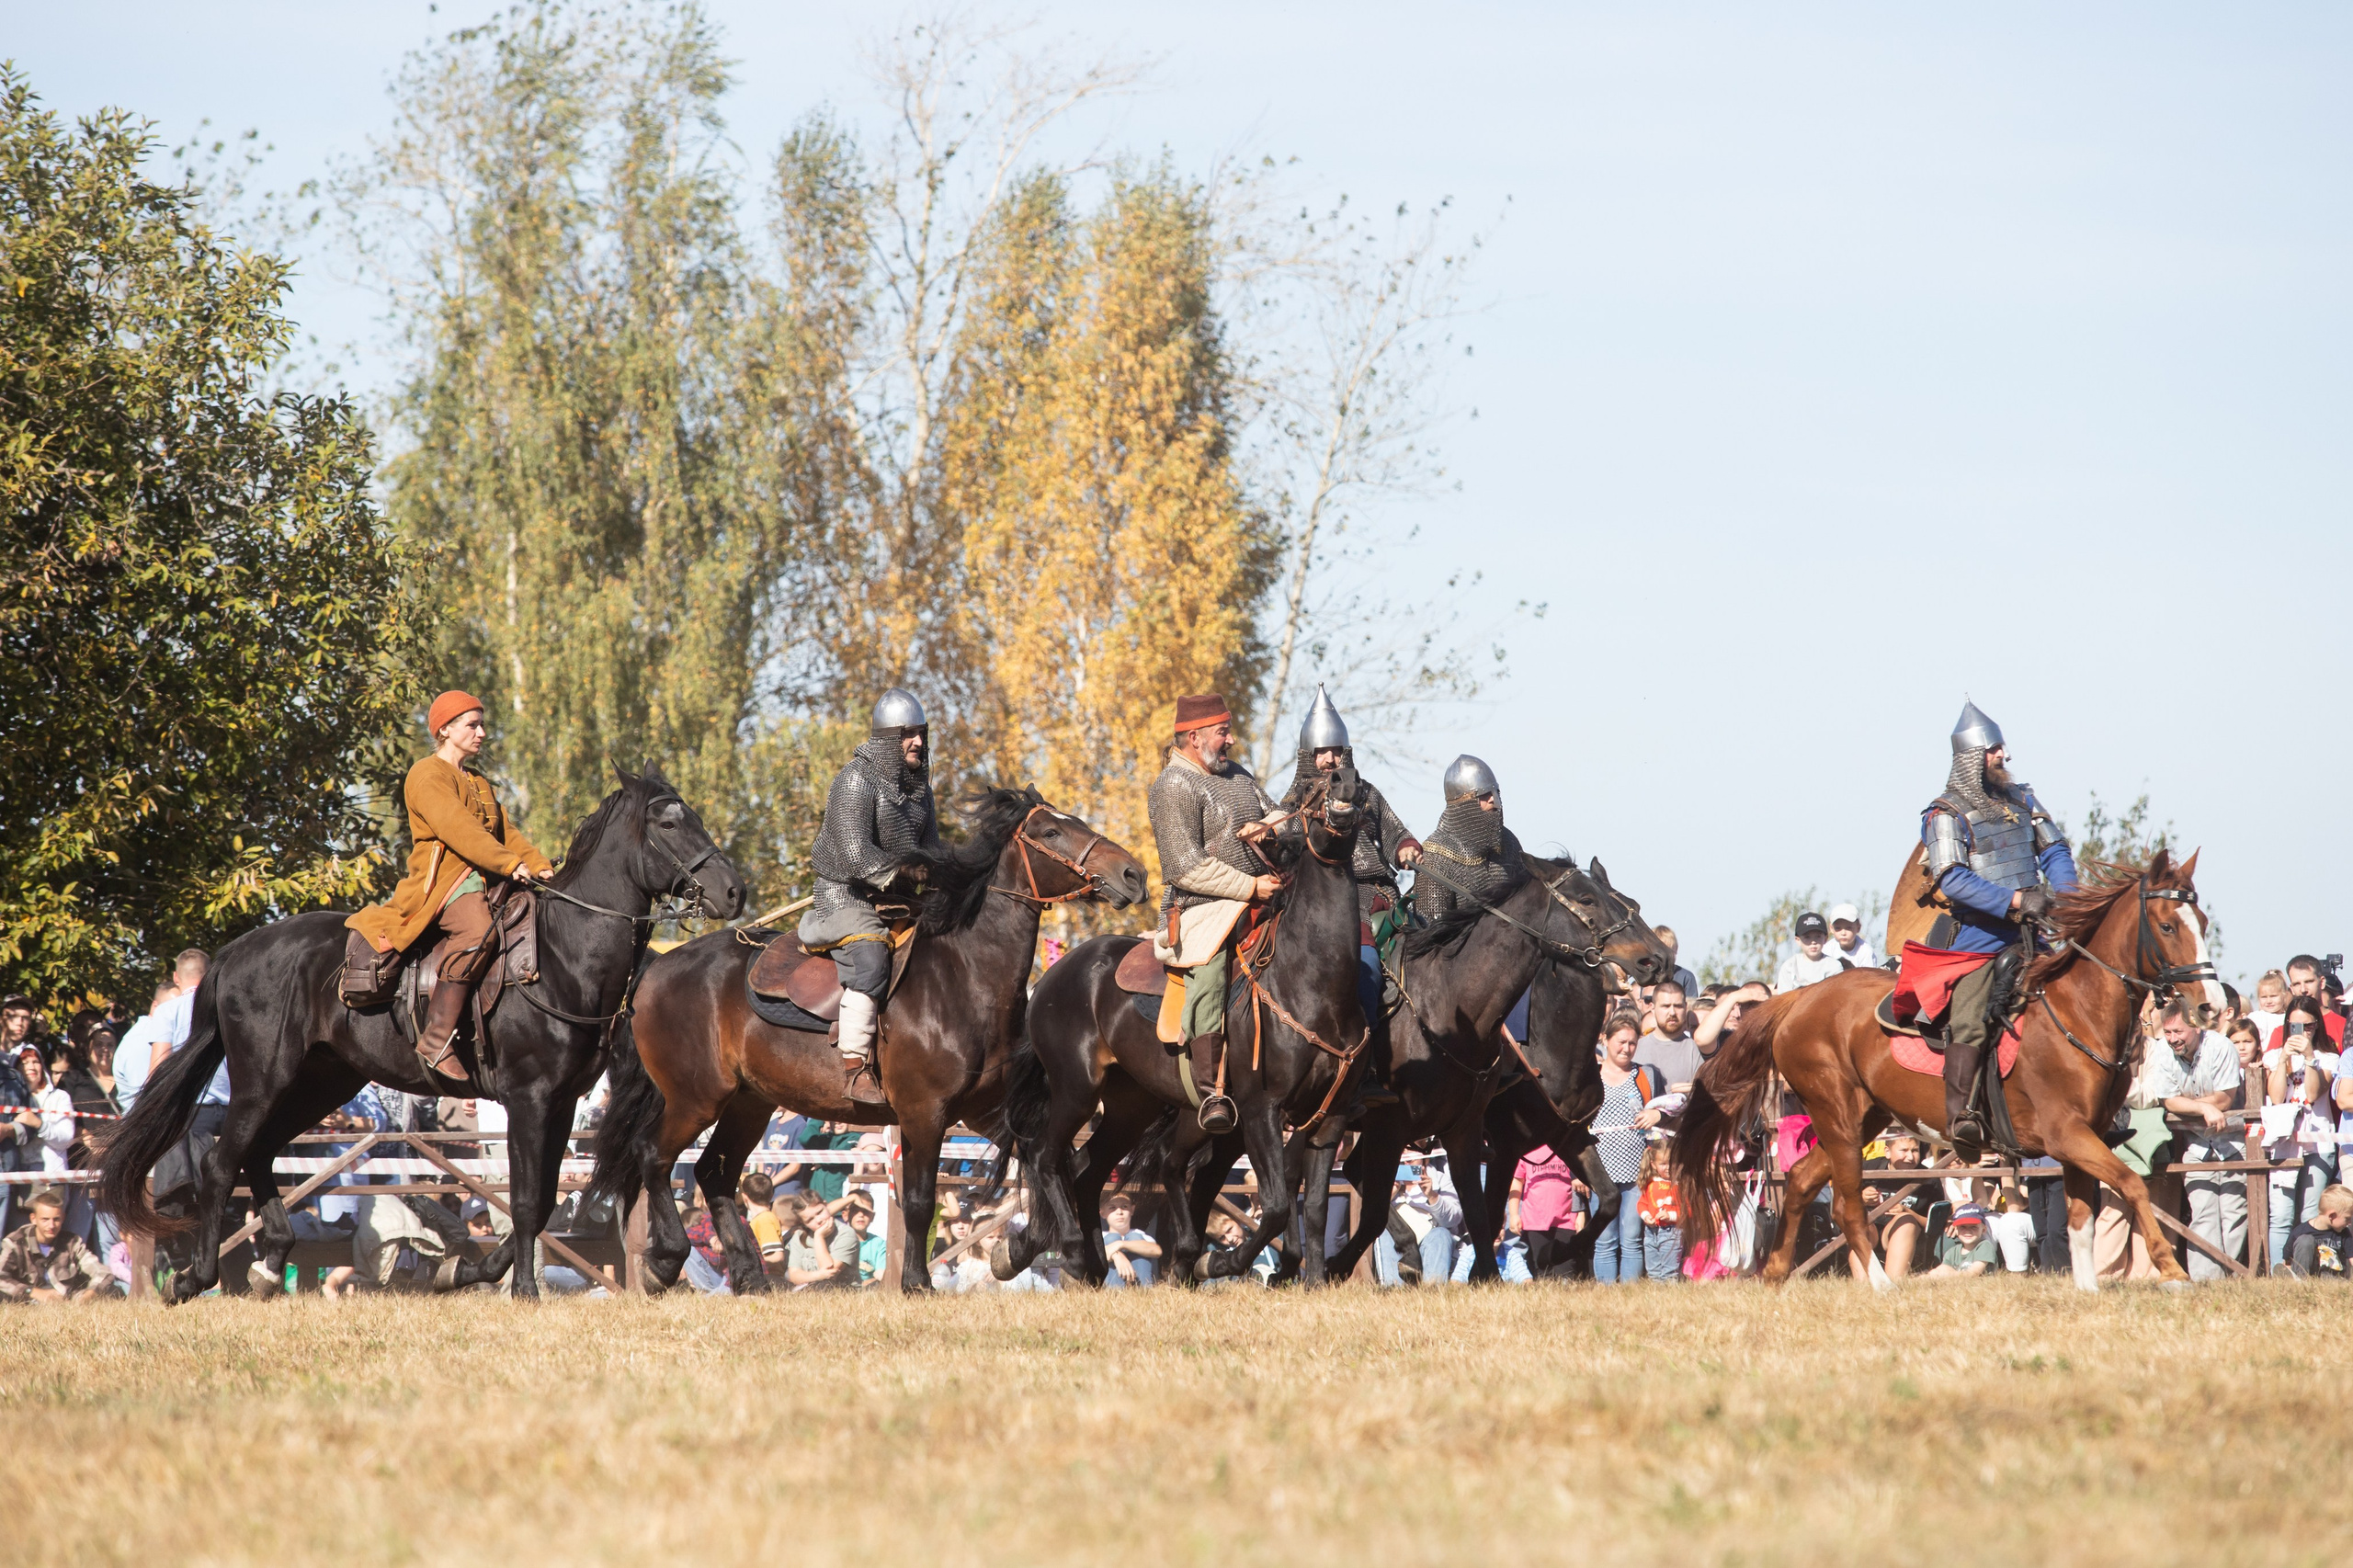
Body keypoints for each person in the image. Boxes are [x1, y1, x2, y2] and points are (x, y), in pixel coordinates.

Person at [345, 691, 553, 1081]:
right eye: (472, 725)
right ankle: (436, 1038)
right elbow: (460, 829)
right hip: (445, 880)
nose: (482, 733)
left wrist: (539, 866)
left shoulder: (478, 781)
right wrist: (510, 864)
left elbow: (507, 833)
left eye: (482, 724)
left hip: (486, 875)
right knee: (477, 932)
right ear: (444, 729)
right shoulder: (426, 773)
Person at [1915, 700, 2078, 1156]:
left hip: (2034, 934)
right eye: (1993, 749)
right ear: (1971, 757)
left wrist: (2067, 899)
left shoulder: (2023, 798)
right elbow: (1951, 877)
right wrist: (2015, 901)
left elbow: (2055, 850)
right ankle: (1962, 1114)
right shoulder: (1945, 812)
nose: (2002, 755)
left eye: (2002, 747)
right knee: (1969, 1018)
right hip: (1981, 940)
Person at [1146, 691, 1283, 1135]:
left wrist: (1269, 826)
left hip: (1265, 899)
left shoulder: (1237, 775)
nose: (1231, 740)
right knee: (1210, 975)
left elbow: (1281, 814)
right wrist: (1249, 887)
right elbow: (1184, 867)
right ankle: (1212, 1090)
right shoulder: (1173, 785)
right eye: (1223, 732)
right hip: (1203, 910)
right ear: (1194, 737)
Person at [1281, 686, 1419, 1105]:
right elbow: (1286, 846)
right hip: (1339, 907)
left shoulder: (1367, 792)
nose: (1330, 759)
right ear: (1308, 755)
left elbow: (1394, 831)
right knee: (1366, 972)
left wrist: (1406, 848)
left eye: (1336, 750)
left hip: (1386, 900)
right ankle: (1366, 1070)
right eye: (1322, 751)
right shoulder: (1299, 800)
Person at [800, 688, 942, 1094]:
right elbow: (855, 853)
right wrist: (905, 868)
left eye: (921, 732)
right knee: (872, 959)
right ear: (888, 739)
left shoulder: (920, 791)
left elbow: (932, 851)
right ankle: (856, 1065)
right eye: (908, 733)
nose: (918, 742)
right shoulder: (855, 780)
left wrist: (946, 873)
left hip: (901, 901)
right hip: (847, 896)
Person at [2144, 999, 2245, 1281]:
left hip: (2233, 1141)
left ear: (2197, 1027)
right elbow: (2169, 1101)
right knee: (2202, 1211)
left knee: (2234, 1213)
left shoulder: (2221, 1047)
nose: (2172, 1038)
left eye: (2178, 1031)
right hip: (2196, 1144)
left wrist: (2191, 1104)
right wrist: (2203, 1108)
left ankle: (2234, 1278)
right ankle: (2205, 1281)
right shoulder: (2163, 1051)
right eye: (2168, 1032)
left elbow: (2225, 1098)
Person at [1592, 1014, 1668, 1284]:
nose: (1626, 1048)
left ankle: (1630, 1293)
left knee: (1632, 1237)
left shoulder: (1646, 1075)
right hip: (1598, 1173)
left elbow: (1668, 1109)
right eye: (1621, 1042)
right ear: (1605, 1040)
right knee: (1604, 1239)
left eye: (1632, 1043)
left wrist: (1657, 1115)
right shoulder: (1590, 1076)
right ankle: (1606, 1292)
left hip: (1637, 1171)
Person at [1413, 756, 1527, 926]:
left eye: (1496, 792)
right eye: (1484, 794)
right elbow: (1431, 930)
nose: (1493, 799)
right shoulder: (1436, 857)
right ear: (1464, 803)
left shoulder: (1508, 842)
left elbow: (1526, 903)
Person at [0, 1188, 119, 1301]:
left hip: (66, 1299)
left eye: (56, 1219)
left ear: (63, 1218)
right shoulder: (15, 1242)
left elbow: (103, 1273)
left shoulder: (72, 1242)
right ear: (33, 1219)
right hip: (27, 1299)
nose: (51, 1226)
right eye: (45, 1219)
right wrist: (33, 1292)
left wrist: (89, 1295)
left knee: (113, 1290)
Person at [1852, 1132, 1932, 1281]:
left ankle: (1892, 1284)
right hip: (1870, 1231)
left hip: (1903, 1235)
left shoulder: (1929, 1179)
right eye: (1904, 1150)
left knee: (1906, 1220)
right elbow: (1842, 1204)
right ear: (1887, 1152)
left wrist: (1908, 1212)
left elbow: (1933, 1224)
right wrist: (1860, 1198)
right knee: (1858, 1222)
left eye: (1915, 1150)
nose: (1910, 1157)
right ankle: (1862, 1286)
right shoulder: (1867, 1168)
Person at [1515, 1143, 1582, 1278]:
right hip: (1535, 1220)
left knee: (1567, 1269)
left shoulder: (1567, 1148)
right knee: (1543, 1269)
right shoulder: (1527, 1150)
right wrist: (1514, 1214)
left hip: (1567, 1220)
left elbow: (1579, 1186)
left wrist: (1581, 1214)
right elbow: (1517, 1182)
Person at [1635, 981, 1703, 1090]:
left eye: (1678, 1006)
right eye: (1665, 1006)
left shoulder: (1696, 1050)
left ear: (1686, 1007)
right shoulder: (1635, 1049)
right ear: (1652, 1008)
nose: (1672, 1013)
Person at [785, 1193, 858, 1290]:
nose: (818, 1220)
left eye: (820, 1212)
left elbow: (830, 1273)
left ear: (826, 1205)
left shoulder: (846, 1233)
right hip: (808, 1288)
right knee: (770, 1280)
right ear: (803, 1223)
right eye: (810, 1219)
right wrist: (818, 1275)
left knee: (826, 1285)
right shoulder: (799, 1236)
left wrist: (819, 1237)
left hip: (839, 1289)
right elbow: (794, 1275)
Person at [1635, 1144, 1683, 1282]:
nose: (1668, 1167)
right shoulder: (1651, 1184)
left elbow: (1688, 1210)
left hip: (1671, 1232)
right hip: (1651, 1232)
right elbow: (1642, 1203)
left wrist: (1670, 1216)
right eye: (1663, 1164)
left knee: (1669, 1273)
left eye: (1672, 1163)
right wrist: (1646, 1215)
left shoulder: (1680, 1185)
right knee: (1653, 1272)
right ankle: (1656, 1294)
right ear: (1653, 1165)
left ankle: (1669, 1294)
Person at [2286, 1185, 2352, 1280]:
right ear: (2332, 1216)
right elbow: (2287, 1261)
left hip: (2333, 1278)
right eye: (2347, 1218)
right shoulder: (2300, 1231)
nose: (2350, 1223)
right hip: (2307, 1276)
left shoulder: (2344, 1234)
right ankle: (2300, 1281)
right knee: (2305, 1240)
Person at [1919, 1203, 1998, 1280]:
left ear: (1983, 1230)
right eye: (1963, 1227)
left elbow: (1973, 1273)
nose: (1968, 1231)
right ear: (1956, 1230)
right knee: (1935, 1272)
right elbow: (1943, 1268)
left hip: (1978, 1286)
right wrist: (1933, 1274)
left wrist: (1946, 1275)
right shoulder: (1952, 1252)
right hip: (1959, 1284)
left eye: (1974, 1227)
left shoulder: (1985, 1247)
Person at [1099, 1191, 1162, 1288]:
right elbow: (1095, 1256)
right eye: (1112, 1207)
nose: (1119, 1212)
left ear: (1132, 1210)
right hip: (1112, 1287)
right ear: (1102, 1213)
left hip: (1140, 1285)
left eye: (1124, 1207)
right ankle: (1116, 1289)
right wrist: (1117, 1256)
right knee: (1111, 1237)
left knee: (1134, 1237)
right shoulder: (1101, 1236)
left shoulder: (1139, 1233)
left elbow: (1157, 1251)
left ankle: (1143, 1289)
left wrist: (1121, 1244)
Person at [1774, 913, 1847, 992]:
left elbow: (1838, 994)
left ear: (1825, 939)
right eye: (1807, 937)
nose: (1813, 942)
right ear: (1798, 940)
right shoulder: (1790, 966)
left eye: (1818, 936)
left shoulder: (1834, 966)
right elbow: (1784, 997)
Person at [1650, 926, 1699, 1003]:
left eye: (1669, 951)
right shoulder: (1645, 977)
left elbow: (1691, 1005)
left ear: (1676, 949)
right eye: (1659, 951)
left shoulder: (1685, 977)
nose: (1664, 956)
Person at [1826, 903, 1878, 970]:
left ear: (1858, 928)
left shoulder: (1866, 952)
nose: (1843, 933)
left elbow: (1869, 975)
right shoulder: (1827, 950)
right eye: (1838, 928)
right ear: (1831, 929)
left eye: (1848, 928)